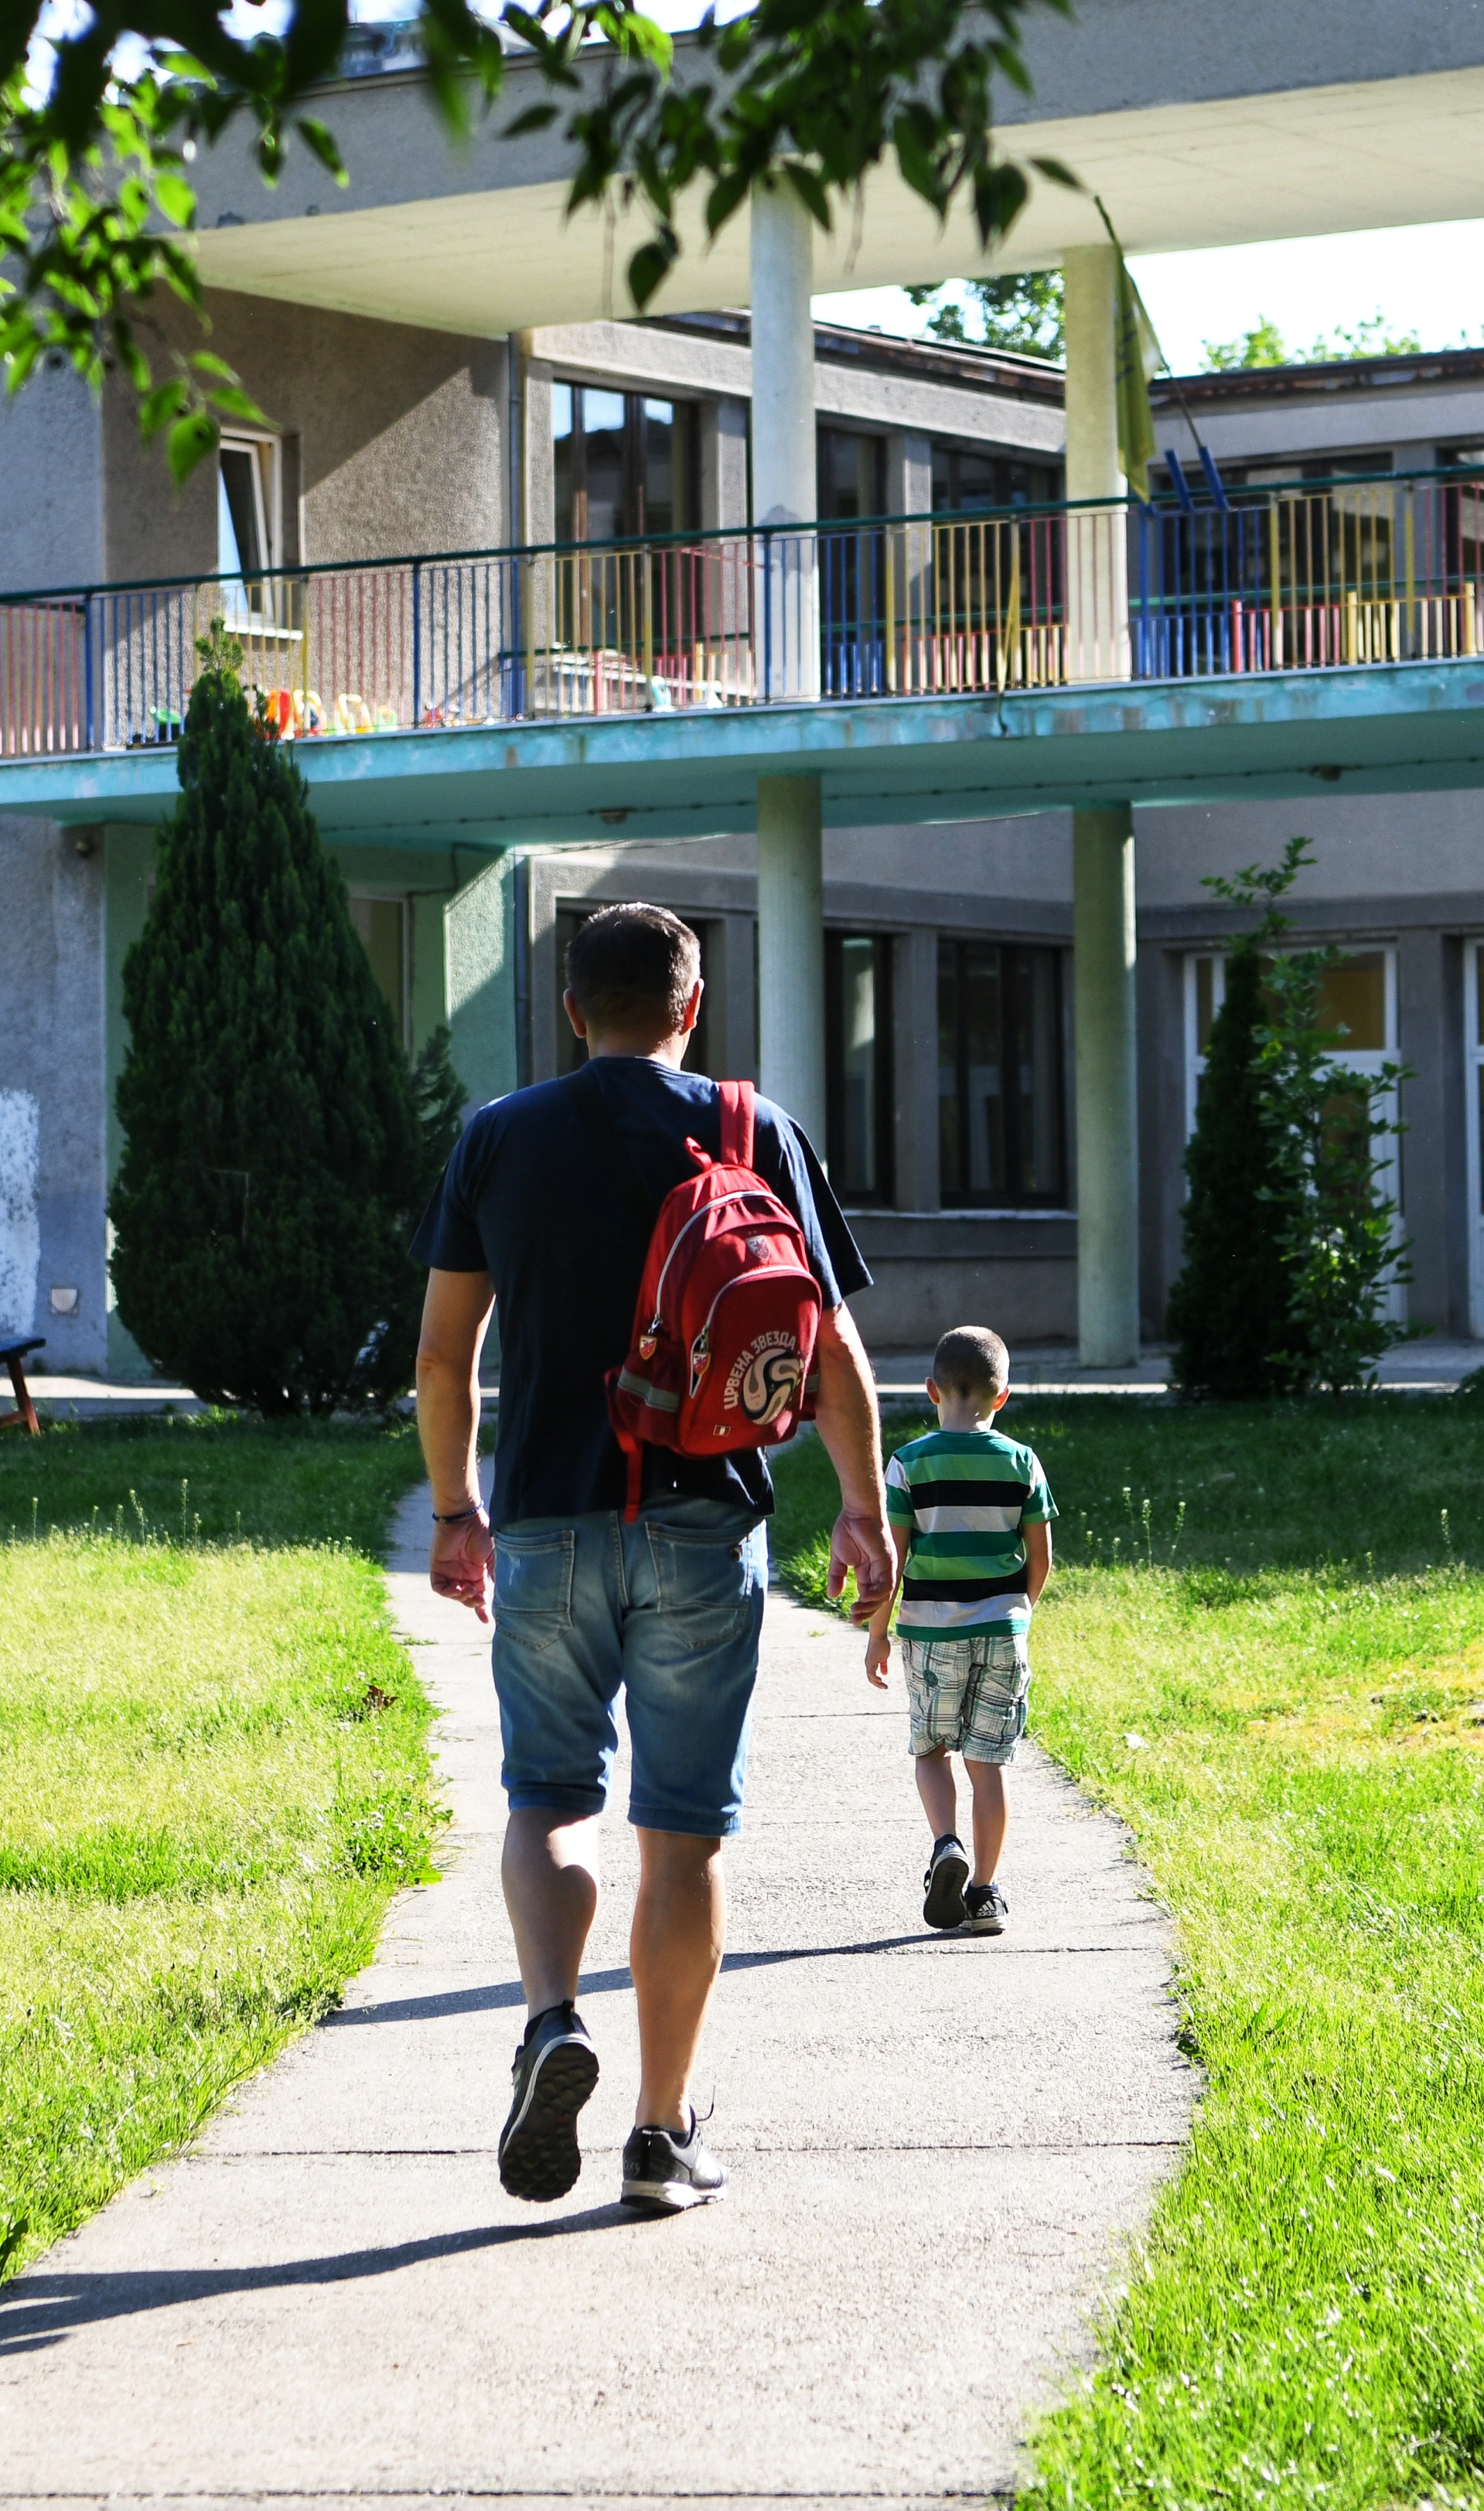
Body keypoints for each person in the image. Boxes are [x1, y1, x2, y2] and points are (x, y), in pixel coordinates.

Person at [414, 902, 896, 2219]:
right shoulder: (755, 1128)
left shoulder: (497, 1138)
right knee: (680, 1836)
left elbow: (445, 1355)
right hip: (705, 1522)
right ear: (690, 1006)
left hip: (549, 1522)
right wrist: (863, 1508)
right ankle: (658, 2131)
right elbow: (834, 1351)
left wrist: (456, 1512)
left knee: (547, 1796)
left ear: (571, 1010)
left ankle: (549, 2019)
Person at [861, 1323, 1055, 1936]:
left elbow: (891, 1562)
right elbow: (1041, 1558)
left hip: (929, 1633)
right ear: (1002, 1396)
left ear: (929, 1390)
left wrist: (877, 1634)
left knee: (931, 1749)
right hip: (1001, 1629)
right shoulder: (1021, 1460)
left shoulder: (908, 1464)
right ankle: (985, 1893)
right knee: (987, 1763)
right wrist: (1016, 1610)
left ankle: (945, 1844)